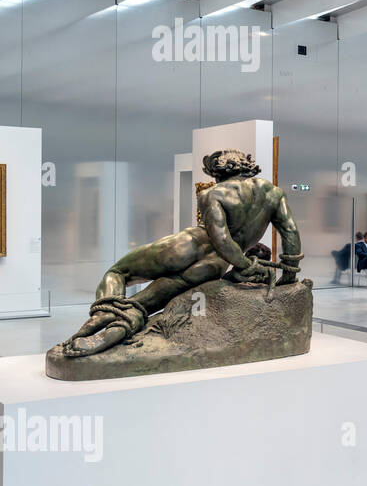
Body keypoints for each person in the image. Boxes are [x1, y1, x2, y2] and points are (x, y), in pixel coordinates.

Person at [56, 149, 302, 358]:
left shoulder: (212, 194)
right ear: (248, 166)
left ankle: (93, 324)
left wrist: (244, 264)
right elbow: (290, 231)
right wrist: (287, 275)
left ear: (219, 172)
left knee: (117, 272)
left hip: (188, 245)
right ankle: (113, 332)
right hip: (214, 266)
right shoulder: (273, 193)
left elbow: (219, 235)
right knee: (142, 306)